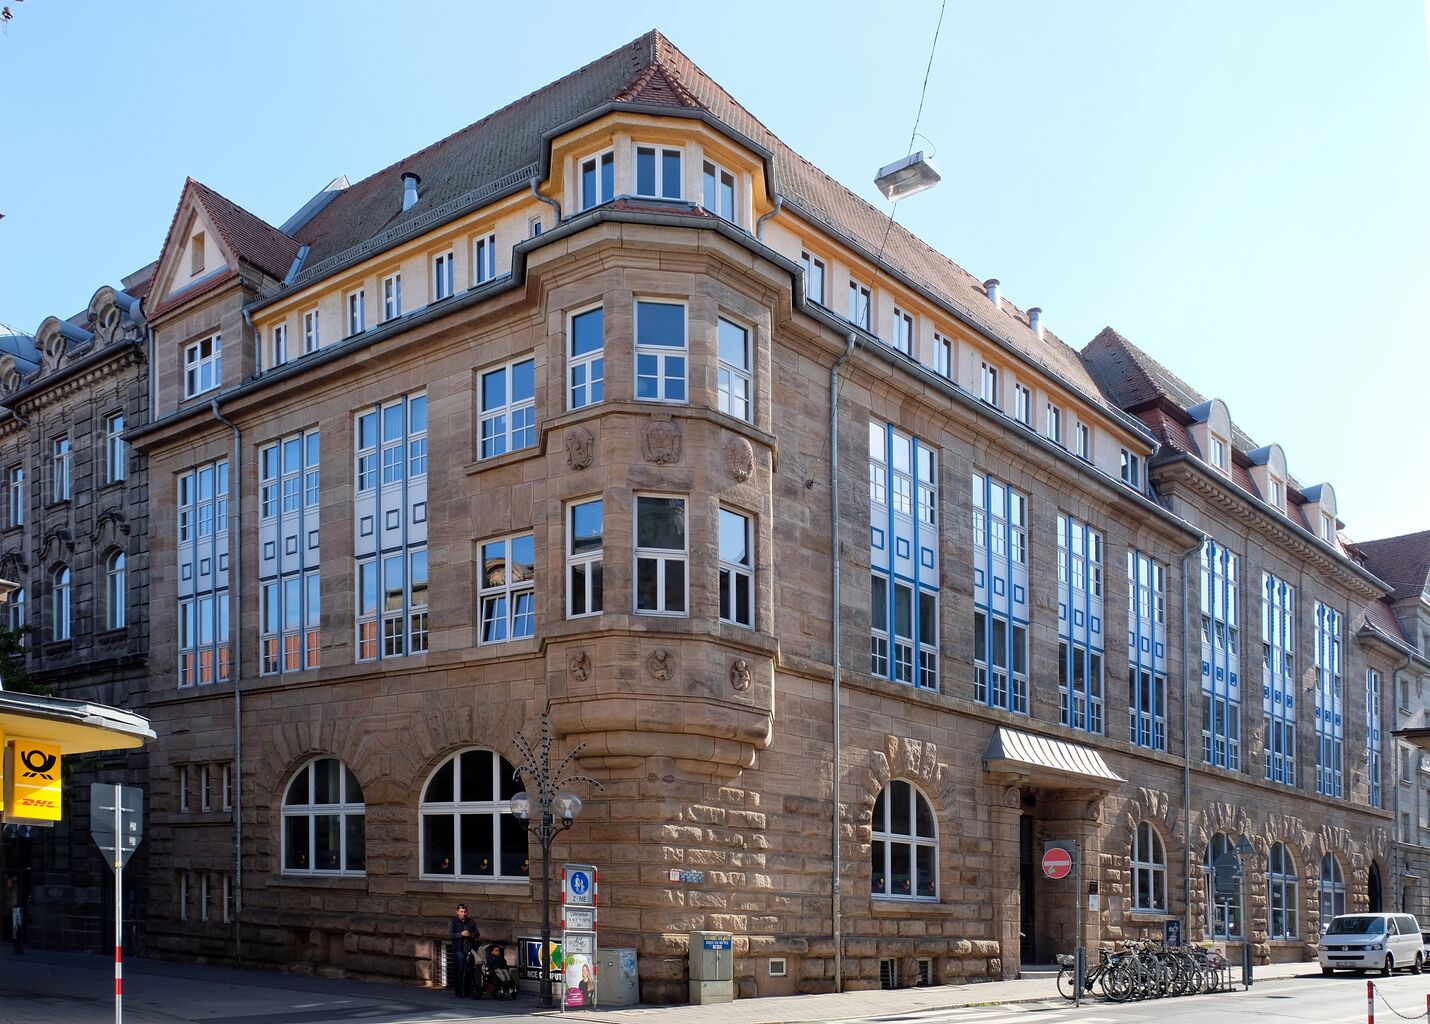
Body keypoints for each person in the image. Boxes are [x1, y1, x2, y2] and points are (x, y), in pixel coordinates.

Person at [447, 903, 479, 997]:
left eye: (464, 912)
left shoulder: (470, 921)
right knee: (460, 971)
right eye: (461, 912)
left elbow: (477, 934)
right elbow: (450, 935)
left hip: (469, 948)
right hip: (459, 949)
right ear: (457, 912)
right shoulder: (453, 922)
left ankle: (467, 991)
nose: (463, 913)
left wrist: (470, 934)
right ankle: (458, 991)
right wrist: (461, 934)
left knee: (469, 971)